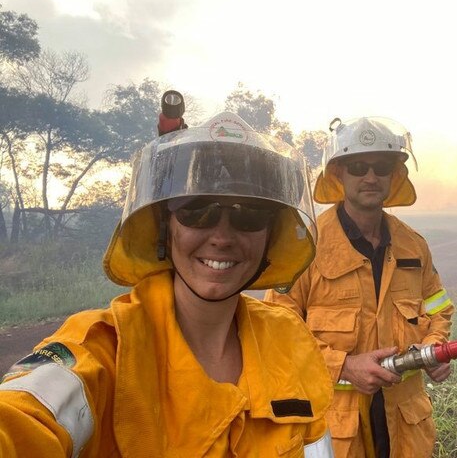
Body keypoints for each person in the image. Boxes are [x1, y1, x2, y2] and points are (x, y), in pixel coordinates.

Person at [0, 111, 335, 457]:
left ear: (271, 236)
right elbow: (25, 416)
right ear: (165, 227)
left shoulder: (289, 340)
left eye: (248, 215)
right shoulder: (105, 350)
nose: (221, 237)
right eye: (196, 210)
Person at [265, 116, 455, 458]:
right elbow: (275, 332)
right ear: (337, 174)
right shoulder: (303, 246)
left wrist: (433, 347)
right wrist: (343, 366)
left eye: (381, 167)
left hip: (405, 425)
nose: (370, 177)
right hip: (337, 430)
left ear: (394, 175)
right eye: (357, 166)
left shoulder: (413, 246)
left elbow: (438, 307)